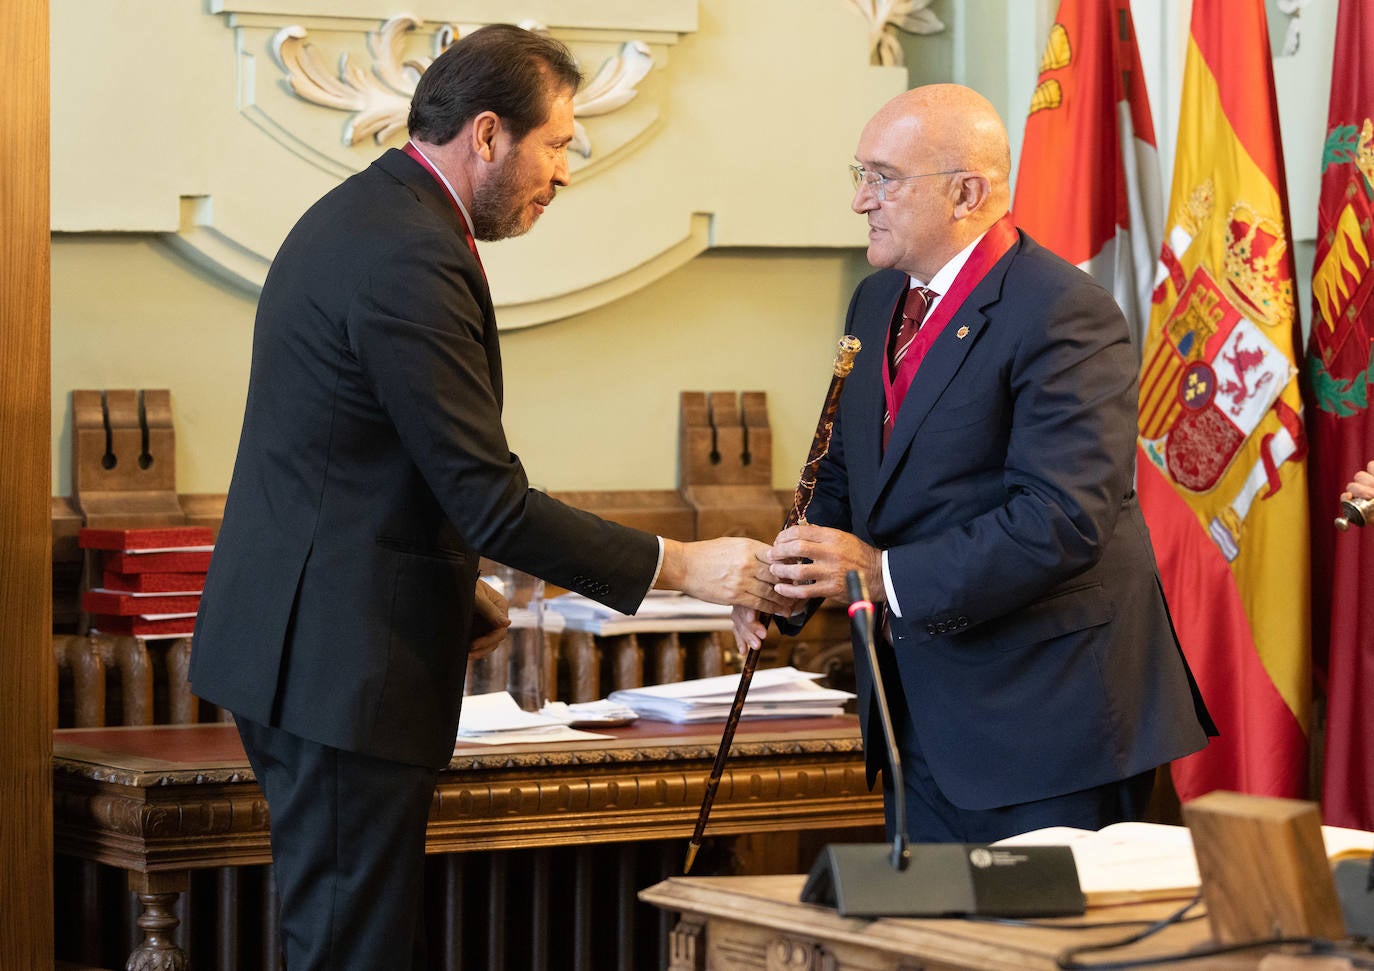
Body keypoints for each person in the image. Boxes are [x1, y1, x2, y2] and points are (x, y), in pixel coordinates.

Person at [190, 25, 792, 970]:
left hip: (320, 647)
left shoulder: (373, 217)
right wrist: (690, 566)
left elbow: (361, 462)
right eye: (556, 145)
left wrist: (453, 590)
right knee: (354, 951)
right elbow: (489, 499)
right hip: (338, 667)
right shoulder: (407, 255)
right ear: (486, 134)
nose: (564, 172)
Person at [735, 83, 1214, 844]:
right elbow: (849, 474)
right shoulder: (874, 300)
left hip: (1051, 727)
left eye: (884, 178)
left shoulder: (1064, 311)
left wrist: (882, 575)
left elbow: (1061, 519)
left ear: (967, 192)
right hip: (919, 720)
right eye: (858, 174)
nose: (862, 200)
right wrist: (784, 582)